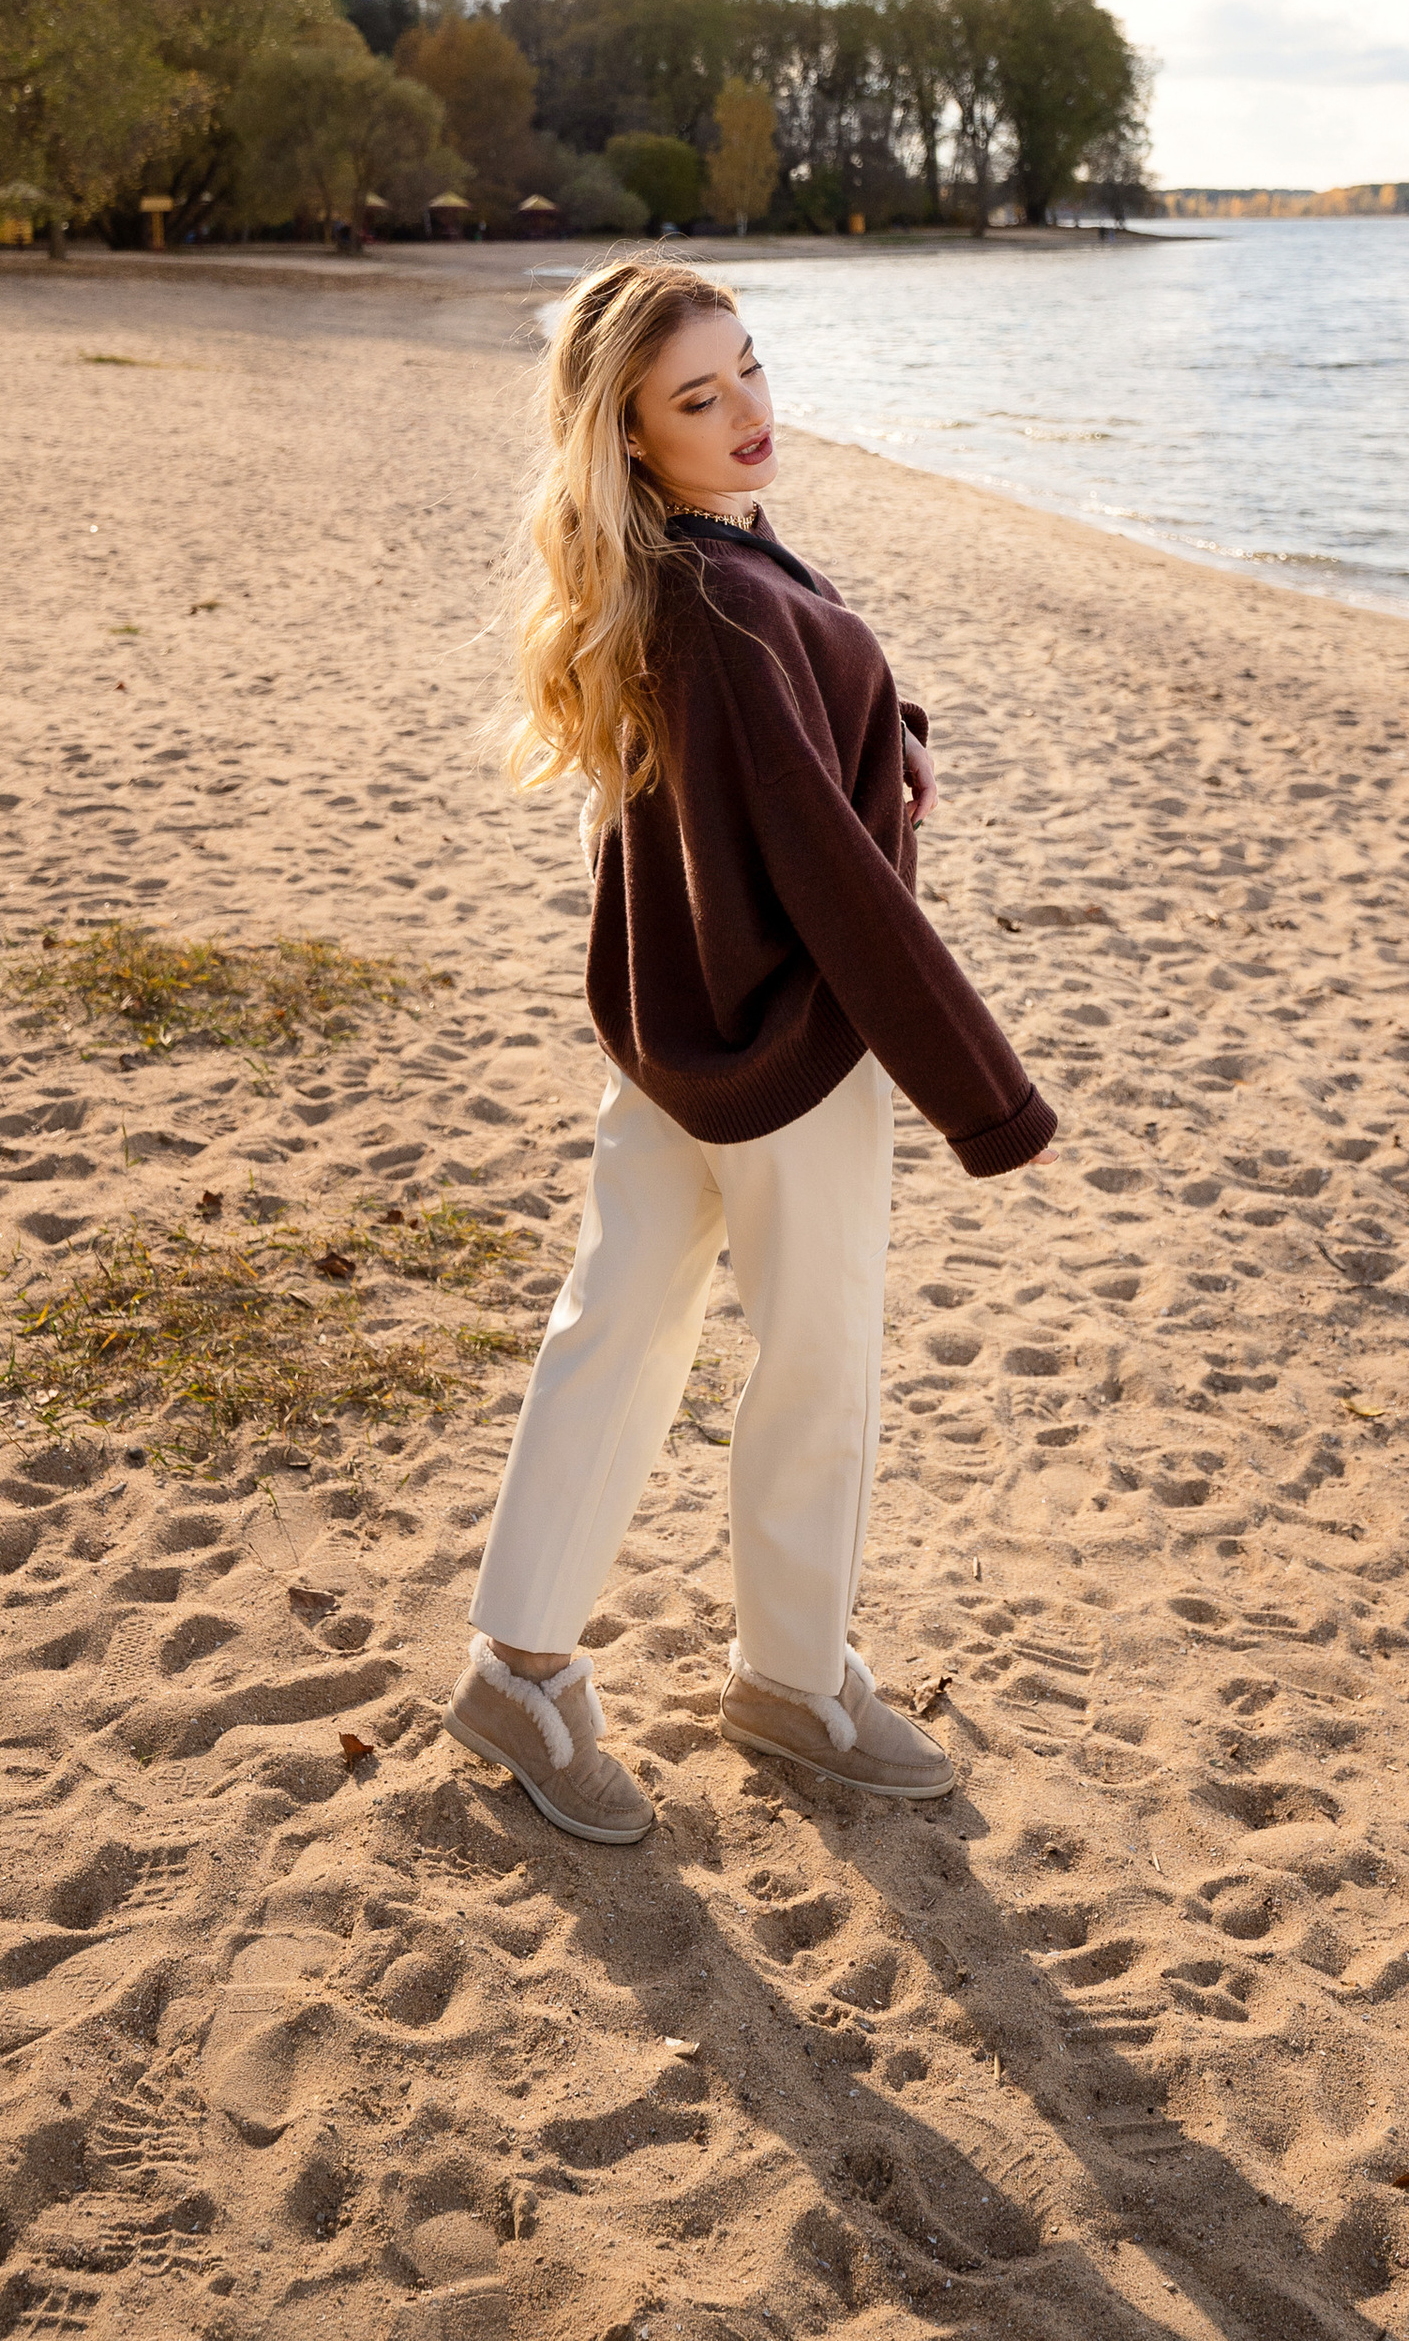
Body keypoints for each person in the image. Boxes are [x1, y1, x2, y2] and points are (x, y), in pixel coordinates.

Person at [444, 252, 1057, 1846]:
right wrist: (986, 1098)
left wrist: (888, 736)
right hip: (787, 1043)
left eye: (753, 371)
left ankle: (519, 1668)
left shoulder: (696, 561)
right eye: (697, 399)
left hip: (673, 1033)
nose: (747, 415)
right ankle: (790, 1680)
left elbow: (776, 731)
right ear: (630, 436)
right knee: (815, 1361)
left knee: (619, 1330)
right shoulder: (709, 596)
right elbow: (824, 871)